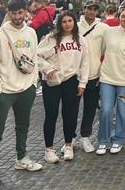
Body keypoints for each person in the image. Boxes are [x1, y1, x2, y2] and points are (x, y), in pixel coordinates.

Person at [0, 0, 42, 188]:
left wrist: (33, 83)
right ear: (9, 13)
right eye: (14, 13)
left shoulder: (31, 32)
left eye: (20, 13)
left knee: (23, 126)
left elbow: (34, 58)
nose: (18, 17)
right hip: (6, 90)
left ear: (25, 12)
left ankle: (21, 158)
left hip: (26, 88)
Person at [37, 11, 89, 163]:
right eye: (64, 21)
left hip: (71, 80)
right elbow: (36, 55)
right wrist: (47, 69)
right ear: (60, 23)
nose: (67, 24)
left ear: (74, 22)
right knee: (51, 115)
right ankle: (49, 149)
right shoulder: (51, 39)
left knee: (70, 114)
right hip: (52, 81)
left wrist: (83, 83)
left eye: (70, 21)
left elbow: (85, 63)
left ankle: (68, 145)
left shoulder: (81, 40)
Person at [96, 8, 125, 155]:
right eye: (123, 16)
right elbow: (101, 51)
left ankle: (118, 139)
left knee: (122, 111)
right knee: (106, 110)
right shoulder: (109, 32)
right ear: (119, 17)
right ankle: (103, 140)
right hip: (107, 77)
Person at [76, 0, 109, 153]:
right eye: (88, 8)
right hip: (75, 74)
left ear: (97, 11)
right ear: (84, 9)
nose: (91, 12)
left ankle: (85, 136)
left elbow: (105, 49)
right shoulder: (75, 25)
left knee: (90, 107)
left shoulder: (103, 27)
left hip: (94, 74)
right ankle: (68, 138)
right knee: (72, 108)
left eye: (94, 9)